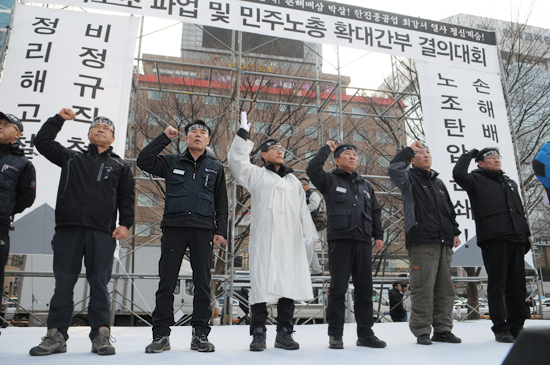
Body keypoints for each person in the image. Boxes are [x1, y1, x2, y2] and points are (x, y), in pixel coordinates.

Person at [30, 109, 135, 356]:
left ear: (112, 139)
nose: (101, 129)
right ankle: (55, 335)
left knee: (99, 284)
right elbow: (42, 142)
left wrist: (126, 224)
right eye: (96, 127)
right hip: (68, 230)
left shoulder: (120, 166)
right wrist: (59, 119)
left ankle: (100, 335)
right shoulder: (70, 158)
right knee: (63, 284)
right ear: (88, 134)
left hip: (102, 233)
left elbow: (127, 198)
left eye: (107, 129)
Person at [228, 112, 317, 352]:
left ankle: (285, 332)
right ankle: (258, 332)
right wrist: (244, 135)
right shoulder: (256, 175)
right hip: (265, 239)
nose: (279, 150)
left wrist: (309, 237)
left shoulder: (294, 182)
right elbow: (237, 163)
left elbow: (302, 211)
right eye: (273, 148)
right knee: (260, 284)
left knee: (288, 284)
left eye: (281, 147)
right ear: (263, 155)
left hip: (290, 241)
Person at [137, 121, 228, 353]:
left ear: (208, 141)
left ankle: (200, 335)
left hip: (203, 229)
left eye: (203, 133)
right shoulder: (172, 161)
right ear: (186, 139)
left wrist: (221, 231)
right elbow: (144, 161)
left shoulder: (216, 167)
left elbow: (222, 203)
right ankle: (160, 335)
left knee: (202, 285)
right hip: (174, 227)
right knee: (166, 282)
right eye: (193, 133)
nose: (198, 135)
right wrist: (164, 137)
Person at [306, 141, 386, 350]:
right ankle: (335, 335)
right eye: (347, 154)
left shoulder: (366, 185)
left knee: (364, 291)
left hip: (362, 240)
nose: (353, 157)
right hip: (340, 241)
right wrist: (325, 149)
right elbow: (312, 170)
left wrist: (378, 235)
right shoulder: (330, 180)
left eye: (355, 155)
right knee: (338, 290)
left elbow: (375, 212)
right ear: (337, 160)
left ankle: (366, 334)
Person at [453, 147, 530, 343]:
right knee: (498, 285)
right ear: (480, 163)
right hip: (494, 238)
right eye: (490, 157)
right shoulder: (475, 179)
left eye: (498, 157)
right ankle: (500, 328)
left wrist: (526, 235)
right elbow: (458, 174)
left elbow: (519, 210)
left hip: (516, 238)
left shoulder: (510, 182)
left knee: (518, 286)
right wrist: (469, 155)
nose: (496, 160)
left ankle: (517, 325)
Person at [388, 141, 461, 345]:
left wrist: (454, 231)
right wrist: (410, 148)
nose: (426, 155)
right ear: (413, 160)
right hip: (422, 241)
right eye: (421, 153)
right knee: (423, 288)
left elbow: (448, 209)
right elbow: (394, 168)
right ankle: (421, 330)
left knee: (445, 290)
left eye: (428, 152)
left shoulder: (439, 183)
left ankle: (443, 329)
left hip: (444, 242)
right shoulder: (408, 178)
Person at [0, 112, 36, 327]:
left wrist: (5, 210)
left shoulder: (22, 164)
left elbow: (26, 197)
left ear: (18, 134)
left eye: (6, 124)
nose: (0, 126)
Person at [300, 178, 324, 276]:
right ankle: (316, 270)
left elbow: (314, 205)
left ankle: (305, 269)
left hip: (309, 223)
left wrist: (301, 212)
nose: (303, 186)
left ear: (308, 185)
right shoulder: (296, 195)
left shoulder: (313, 194)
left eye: (305, 184)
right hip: (301, 223)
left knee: (308, 245)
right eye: (301, 185)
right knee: (311, 247)